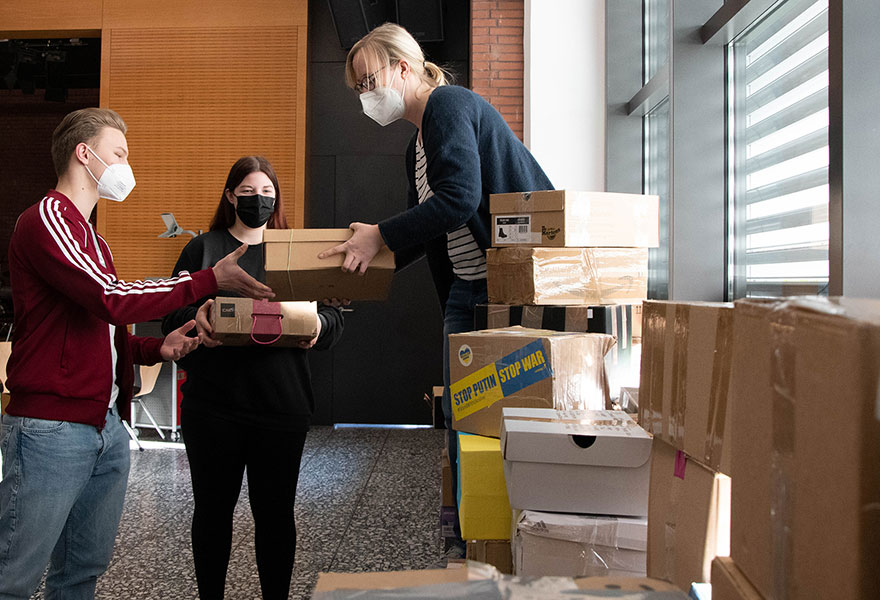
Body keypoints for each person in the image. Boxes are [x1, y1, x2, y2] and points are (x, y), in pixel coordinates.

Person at [0, 108, 272, 599]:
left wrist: (152, 348)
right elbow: (112, 297)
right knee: (13, 575)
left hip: (103, 426)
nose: (127, 165)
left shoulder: (93, 238)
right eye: (119, 153)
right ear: (85, 154)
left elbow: (100, 324)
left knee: (82, 571)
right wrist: (207, 279)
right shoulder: (47, 219)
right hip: (51, 430)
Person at [318, 23, 554, 559]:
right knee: (465, 420)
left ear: (404, 68)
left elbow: (459, 198)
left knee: (492, 422)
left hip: (504, 291)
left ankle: (502, 539)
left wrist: (379, 232)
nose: (364, 96)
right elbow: (426, 231)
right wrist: (357, 271)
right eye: (357, 88)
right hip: (466, 292)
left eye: (368, 80)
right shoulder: (417, 144)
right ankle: (473, 534)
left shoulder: (448, 104)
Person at [162, 156, 344, 600]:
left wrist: (319, 328)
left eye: (266, 193)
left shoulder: (294, 251)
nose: (258, 200)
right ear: (229, 196)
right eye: (247, 192)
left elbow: (334, 316)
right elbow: (170, 311)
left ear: (276, 198)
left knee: (276, 515)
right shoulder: (203, 249)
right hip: (213, 406)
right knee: (211, 512)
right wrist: (201, 314)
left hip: (281, 405)